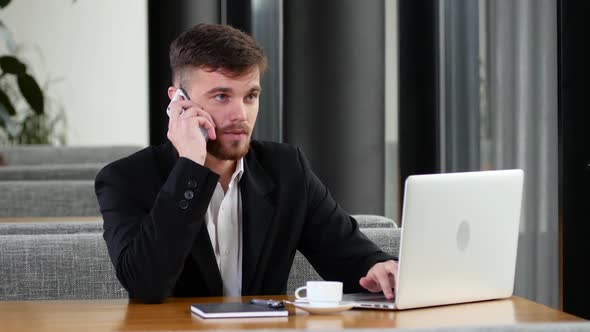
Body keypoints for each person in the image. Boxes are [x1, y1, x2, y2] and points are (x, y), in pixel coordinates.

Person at [95, 23, 398, 304]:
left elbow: (348, 255)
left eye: (250, 96)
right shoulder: (126, 178)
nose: (241, 115)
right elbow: (147, 286)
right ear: (178, 102)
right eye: (222, 96)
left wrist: (378, 267)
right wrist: (190, 166)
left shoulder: (286, 168)